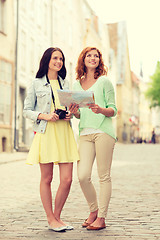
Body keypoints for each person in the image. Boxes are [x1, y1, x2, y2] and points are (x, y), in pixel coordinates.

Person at [23, 47, 79, 232]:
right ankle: (50, 219)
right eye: (55, 58)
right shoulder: (36, 83)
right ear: (47, 60)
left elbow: (72, 108)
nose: (59, 62)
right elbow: (27, 110)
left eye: (61, 59)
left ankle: (57, 217)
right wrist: (45, 116)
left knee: (67, 179)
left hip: (64, 132)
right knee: (47, 178)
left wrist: (70, 113)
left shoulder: (65, 82)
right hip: (46, 132)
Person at [69, 47, 117, 230]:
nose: (93, 58)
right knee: (82, 176)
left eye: (96, 56)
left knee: (104, 176)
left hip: (103, 131)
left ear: (99, 60)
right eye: (89, 55)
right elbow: (80, 114)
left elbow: (113, 110)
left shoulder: (104, 82)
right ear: (83, 59)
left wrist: (100, 110)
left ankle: (101, 217)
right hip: (85, 133)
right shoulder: (76, 85)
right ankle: (93, 210)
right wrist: (75, 113)